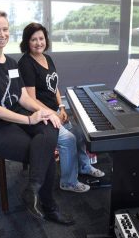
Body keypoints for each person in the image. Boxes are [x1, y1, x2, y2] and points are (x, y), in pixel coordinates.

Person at [0, 10, 74, 226]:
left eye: (5, 29)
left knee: (50, 127)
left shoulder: (12, 64)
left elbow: (24, 97)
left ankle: (32, 190)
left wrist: (47, 112)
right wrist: (28, 120)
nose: (2, 34)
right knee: (42, 149)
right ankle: (50, 206)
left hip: (14, 118)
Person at [18, 22, 105, 193]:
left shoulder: (46, 58)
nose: (38, 43)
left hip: (55, 111)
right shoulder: (26, 63)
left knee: (80, 135)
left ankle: (84, 167)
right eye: (33, 39)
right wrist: (52, 114)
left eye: (41, 38)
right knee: (69, 140)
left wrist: (61, 107)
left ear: (46, 40)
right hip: (40, 114)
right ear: (27, 42)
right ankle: (68, 182)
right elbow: (31, 99)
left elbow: (55, 86)